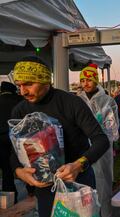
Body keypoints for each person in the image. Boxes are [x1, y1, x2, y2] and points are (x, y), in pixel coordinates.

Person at [9, 56, 109, 217]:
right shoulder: (20, 111)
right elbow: (14, 154)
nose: (23, 91)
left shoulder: (71, 103)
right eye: (19, 85)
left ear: (45, 80)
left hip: (78, 181)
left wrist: (78, 165)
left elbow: (101, 140)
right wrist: (19, 172)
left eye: (28, 84)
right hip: (45, 187)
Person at [78, 63, 119, 217]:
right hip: (82, 147)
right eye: (83, 81)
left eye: (89, 80)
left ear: (95, 81)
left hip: (101, 147)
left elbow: (112, 128)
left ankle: (106, 213)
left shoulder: (107, 101)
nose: (85, 84)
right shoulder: (78, 100)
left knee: (103, 183)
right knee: (84, 185)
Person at [0, 81, 23, 202]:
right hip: (17, 138)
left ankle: (9, 197)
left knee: (6, 168)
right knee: (24, 165)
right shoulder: (19, 100)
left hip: (0, 139)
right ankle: (31, 192)